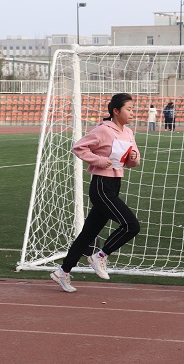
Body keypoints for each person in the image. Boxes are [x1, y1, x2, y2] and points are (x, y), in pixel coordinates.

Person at [51, 93, 141, 292]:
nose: (132, 113)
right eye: (128, 109)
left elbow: (133, 162)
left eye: (133, 109)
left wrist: (133, 157)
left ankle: (62, 272)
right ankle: (100, 256)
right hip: (101, 186)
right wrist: (99, 161)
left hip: (115, 184)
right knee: (131, 225)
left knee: (88, 234)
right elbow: (79, 147)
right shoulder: (103, 130)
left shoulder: (128, 132)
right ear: (116, 111)